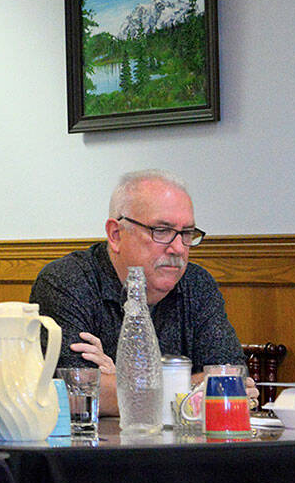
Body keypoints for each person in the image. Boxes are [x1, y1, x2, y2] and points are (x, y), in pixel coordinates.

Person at [29, 169, 250, 416]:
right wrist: (196, 389)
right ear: (116, 234)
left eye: (186, 234)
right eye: (162, 231)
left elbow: (234, 382)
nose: (178, 248)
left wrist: (121, 381)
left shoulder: (197, 284)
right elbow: (75, 392)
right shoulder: (66, 282)